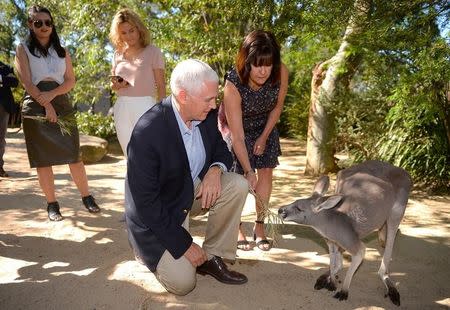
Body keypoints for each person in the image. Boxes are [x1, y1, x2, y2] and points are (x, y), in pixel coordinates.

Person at [126, 59, 249, 295]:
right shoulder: (147, 132)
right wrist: (184, 244)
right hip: (158, 211)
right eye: (208, 100)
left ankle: (212, 257)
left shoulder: (206, 115)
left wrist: (215, 170)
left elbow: (221, 149)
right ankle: (143, 249)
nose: (214, 106)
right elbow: (146, 204)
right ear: (183, 96)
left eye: (215, 98)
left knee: (236, 185)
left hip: (186, 192)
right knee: (183, 284)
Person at [14, 5, 100, 221]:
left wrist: (51, 98)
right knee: (43, 160)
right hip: (34, 102)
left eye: (48, 22)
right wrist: (46, 103)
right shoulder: (22, 48)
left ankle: (87, 197)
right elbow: (26, 81)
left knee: (74, 155)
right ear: (30, 25)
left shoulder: (63, 51)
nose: (44, 26)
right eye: (38, 22)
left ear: (52, 25)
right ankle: (52, 204)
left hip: (60, 100)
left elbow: (70, 80)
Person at [222, 30, 288, 251]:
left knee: (266, 172)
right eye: (257, 65)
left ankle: (259, 226)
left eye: (268, 65)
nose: (263, 71)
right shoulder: (233, 84)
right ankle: (237, 227)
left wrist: (264, 136)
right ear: (247, 62)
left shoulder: (281, 73)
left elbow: (277, 106)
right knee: (239, 179)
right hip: (237, 128)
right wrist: (249, 170)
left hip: (265, 126)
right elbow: (237, 135)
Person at [109, 8, 166, 157]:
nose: (128, 36)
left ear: (139, 29)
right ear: (118, 34)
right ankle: (132, 181)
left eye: (131, 30)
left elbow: (161, 85)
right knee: (129, 154)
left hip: (146, 106)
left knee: (147, 153)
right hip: (122, 107)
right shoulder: (117, 54)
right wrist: (116, 85)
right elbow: (112, 84)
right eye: (123, 32)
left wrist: (163, 112)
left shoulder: (153, 51)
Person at [0, 61, 19, 177]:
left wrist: (1, 79)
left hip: (2, 107)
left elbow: (15, 82)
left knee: (0, 137)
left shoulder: (5, 68)